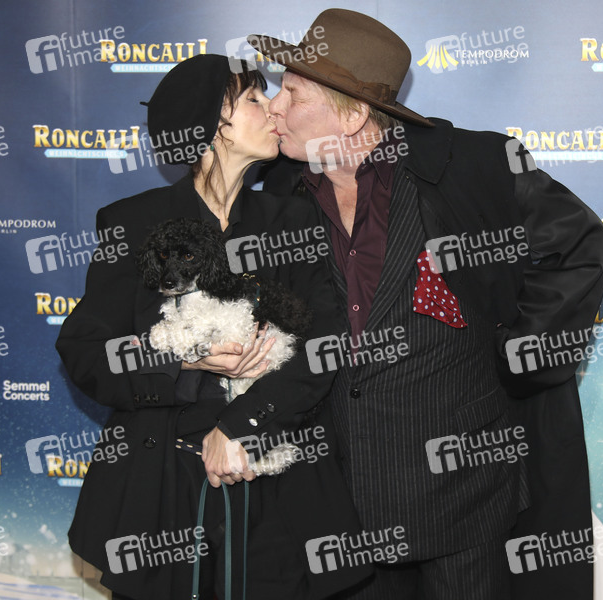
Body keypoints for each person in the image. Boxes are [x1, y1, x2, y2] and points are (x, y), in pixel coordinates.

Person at [249, 9, 603, 600]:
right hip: (340, 500)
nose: (274, 107)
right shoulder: (282, 189)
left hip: (464, 493)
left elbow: (578, 244)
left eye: (292, 93)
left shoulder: (475, 166)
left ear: (354, 113)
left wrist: (522, 354)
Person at [56, 54, 370, 600]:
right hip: (162, 493)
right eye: (253, 98)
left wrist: (239, 427)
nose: (274, 110)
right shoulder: (132, 222)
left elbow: (323, 343)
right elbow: (86, 351)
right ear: (212, 125)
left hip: (274, 488)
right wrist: (182, 361)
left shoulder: (293, 220)